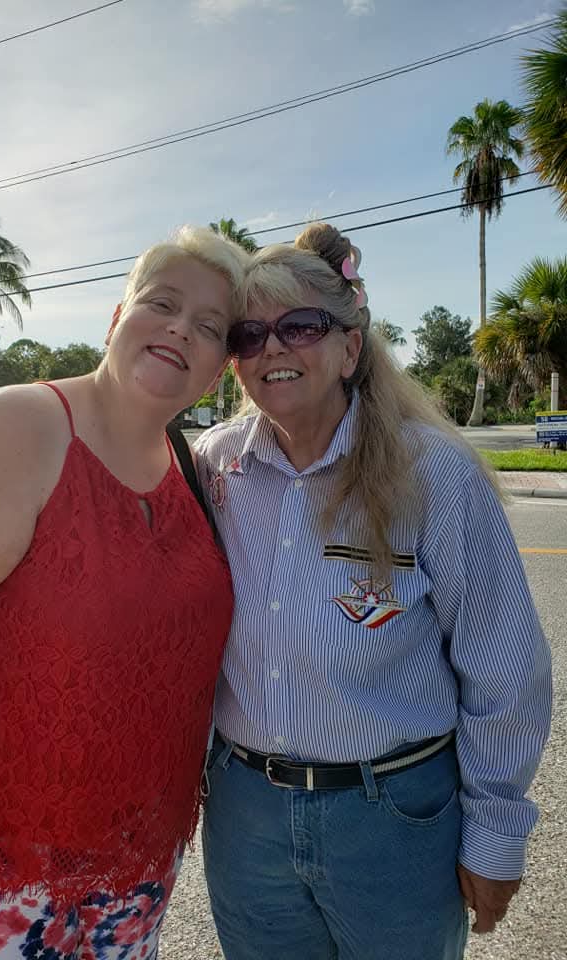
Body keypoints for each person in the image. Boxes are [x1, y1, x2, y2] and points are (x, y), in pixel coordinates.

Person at [0, 226, 248, 960]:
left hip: (142, 871)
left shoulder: (190, 469)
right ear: (115, 319)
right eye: (161, 303)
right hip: (4, 878)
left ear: (220, 368)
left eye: (210, 326)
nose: (179, 329)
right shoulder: (26, 427)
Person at [194, 223, 552, 960]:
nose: (274, 348)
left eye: (300, 326)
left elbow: (505, 669)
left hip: (392, 817)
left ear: (349, 346)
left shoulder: (435, 475)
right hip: (246, 816)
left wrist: (495, 836)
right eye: (249, 334)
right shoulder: (212, 471)